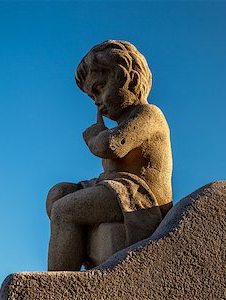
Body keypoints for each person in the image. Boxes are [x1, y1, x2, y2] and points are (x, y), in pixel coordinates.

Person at [46, 40, 173, 271]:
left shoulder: (149, 114)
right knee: (58, 193)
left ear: (130, 80)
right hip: (113, 187)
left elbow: (113, 145)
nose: (97, 103)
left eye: (100, 88)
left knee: (64, 210)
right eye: (92, 97)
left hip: (139, 197)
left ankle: (58, 285)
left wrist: (94, 136)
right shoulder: (119, 123)